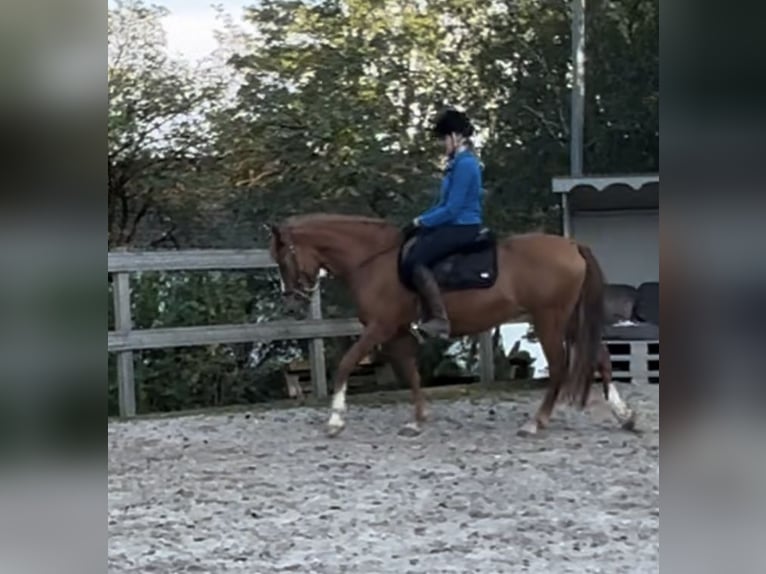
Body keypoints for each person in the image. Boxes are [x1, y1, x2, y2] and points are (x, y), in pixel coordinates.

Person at [400, 108, 484, 339]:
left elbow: (453, 208)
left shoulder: (466, 165)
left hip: (463, 226)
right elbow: (441, 206)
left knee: (416, 260)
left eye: (444, 139)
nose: (443, 144)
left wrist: (421, 221)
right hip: (452, 223)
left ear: (456, 137)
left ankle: (439, 320)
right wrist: (420, 221)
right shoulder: (456, 164)